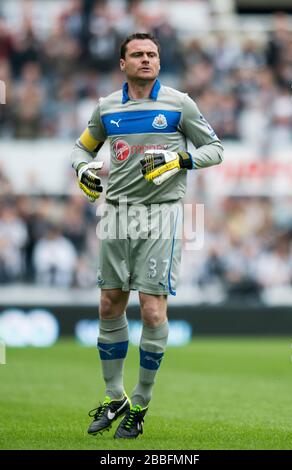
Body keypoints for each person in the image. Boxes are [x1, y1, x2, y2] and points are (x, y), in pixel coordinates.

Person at [70, 32, 223, 439]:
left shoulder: (179, 103)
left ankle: (140, 402)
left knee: (152, 311)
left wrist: (179, 158)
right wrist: (82, 169)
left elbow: (215, 149)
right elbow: (81, 150)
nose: (146, 60)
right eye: (137, 54)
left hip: (161, 215)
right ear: (123, 62)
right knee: (108, 304)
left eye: (152, 54)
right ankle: (113, 395)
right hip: (116, 214)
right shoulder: (107, 108)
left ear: (159, 60)